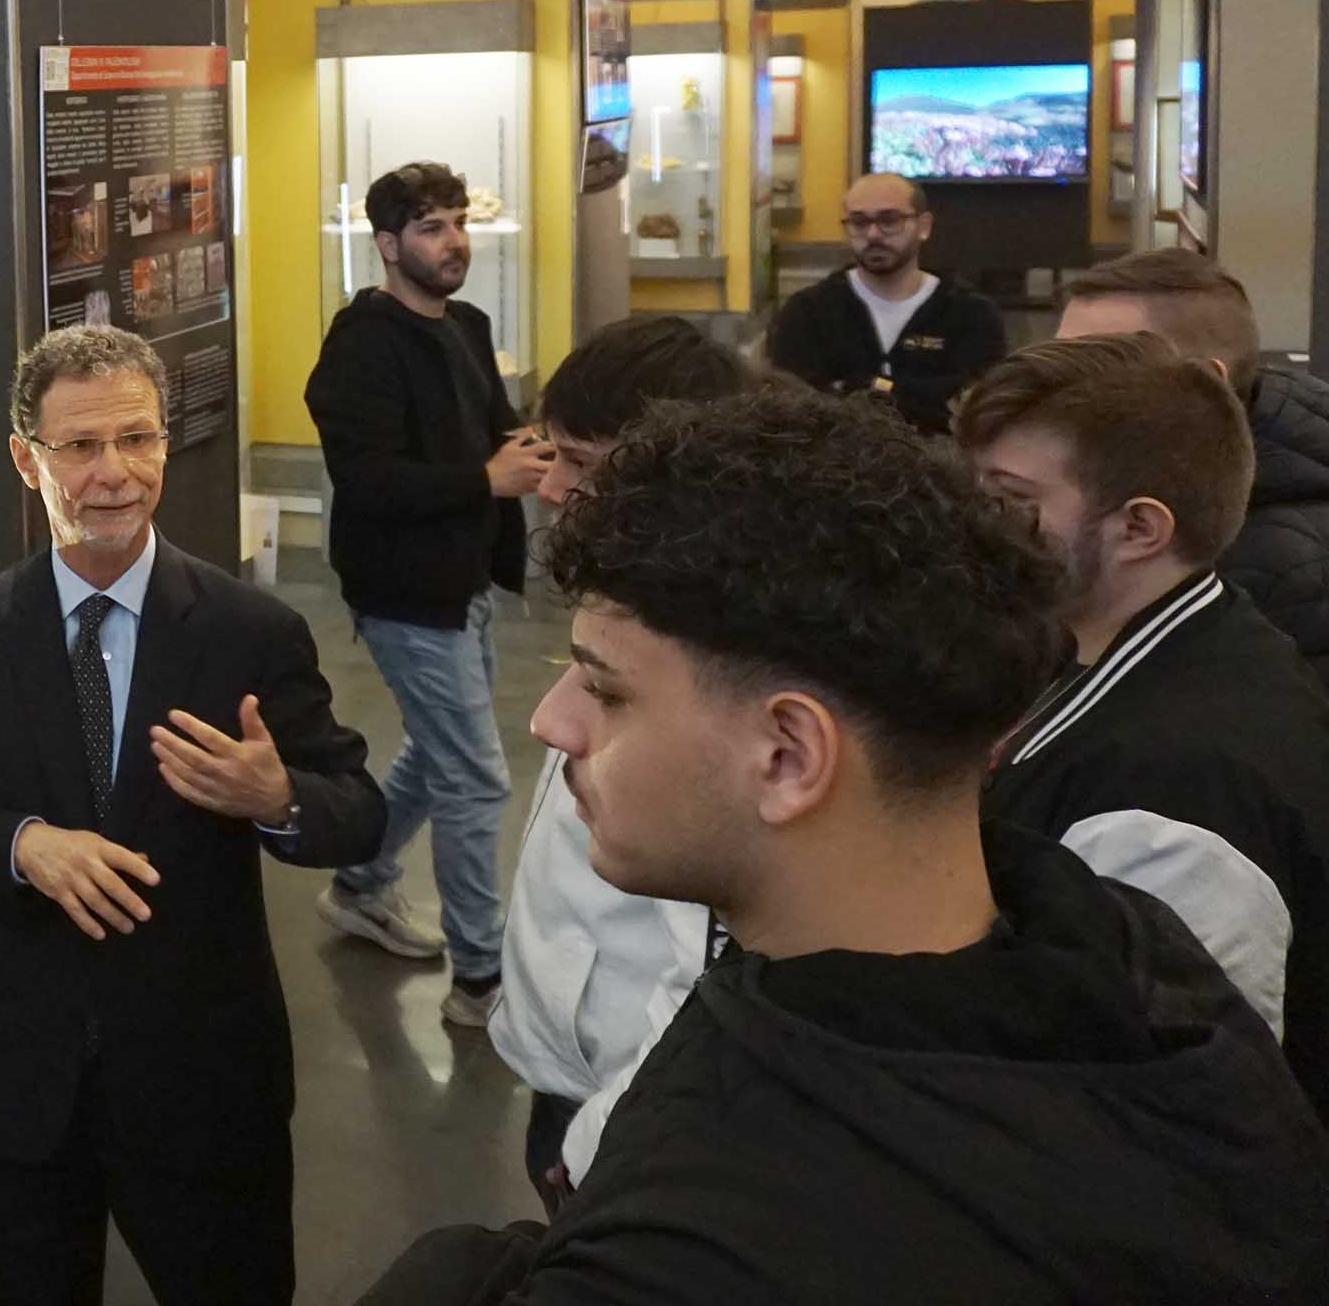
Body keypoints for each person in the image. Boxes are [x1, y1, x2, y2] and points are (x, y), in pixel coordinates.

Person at [358, 387, 1329, 1305]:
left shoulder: (713, 1247)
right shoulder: (1140, 975)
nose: (551, 721)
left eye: (606, 688)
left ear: (789, 753)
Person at [0, 326, 384, 1305]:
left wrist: (277, 798)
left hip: (205, 1084)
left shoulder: (252, 631)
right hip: (30, 1087)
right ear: (27, 458)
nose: (114, 471)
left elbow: (357, 810)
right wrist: (26, 845)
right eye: (80, 446)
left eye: (137, 438)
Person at [954, 334, 1329, 1123]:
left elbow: (1165, 1106)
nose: (976, 529)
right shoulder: (1133, 652)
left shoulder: (1179, 781)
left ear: (1138, 530)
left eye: (1012, 503)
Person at [489, 317, 750, 1206]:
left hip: (622, 1109)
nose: (551, 487)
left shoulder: (704, 662)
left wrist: (604, 1134)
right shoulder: (630, 604)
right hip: (578, 1075)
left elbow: (710, 958)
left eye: (580, 463)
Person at [306, 161, 542, 1027]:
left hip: (466, 580)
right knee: (476, 779)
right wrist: (487, 476)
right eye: (433, 228)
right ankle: (481, 981)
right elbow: (367, 482)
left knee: (435, 753)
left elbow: (495, 433)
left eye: (457, 223)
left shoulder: (469, 325)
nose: (454, 243)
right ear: (387, 244)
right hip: (404, 594)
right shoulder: (360, 346)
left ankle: (363, 884)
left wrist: (537, 455)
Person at [1057, 247, 1329, 691]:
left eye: (1097, 365)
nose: (1053, 391)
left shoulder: (1269, 564)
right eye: (1059, 359)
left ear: (1205, 381)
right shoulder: (1168, 477)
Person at [766, 172, 1005, 433]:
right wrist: (922, 394)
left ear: (924, 226)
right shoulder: (808, 312)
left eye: (889, 220)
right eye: (859, 222)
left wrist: (859, 387)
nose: (873, 234)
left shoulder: (970, 314)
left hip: (942, 467)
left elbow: (977, 412)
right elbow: (793, 413)